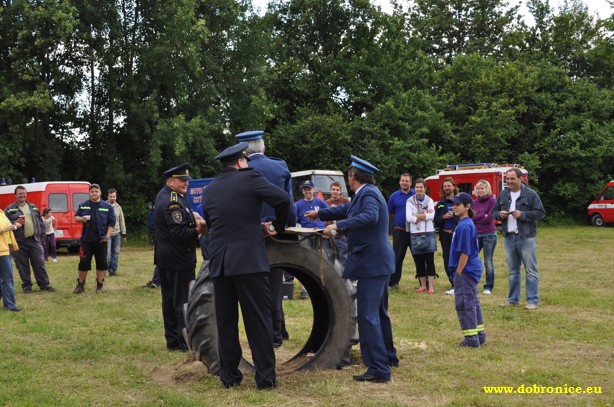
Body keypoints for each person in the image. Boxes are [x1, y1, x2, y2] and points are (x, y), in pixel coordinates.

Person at [202, 142, 290, 390]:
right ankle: (265, 378)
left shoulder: (209, 190)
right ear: (241, 162)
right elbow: (283, 199)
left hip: (220, 263)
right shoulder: (250, 178)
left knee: (226, 322)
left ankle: (229, 377)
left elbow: (212, 224)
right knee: (258, 320)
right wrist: (276, 227)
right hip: (249, 261)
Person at [304, 155, 398, 383]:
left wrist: (337, 228)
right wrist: (322, 214)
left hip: (372, 264)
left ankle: (378, 369)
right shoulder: (364, 193)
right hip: (377, 262)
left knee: (368, 316)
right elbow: (347, 209)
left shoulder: (369, 194)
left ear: (353, 176)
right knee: (378, 313)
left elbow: (369, 216)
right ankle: (388, 357)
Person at [235, 130, 296, 346]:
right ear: (264, 147)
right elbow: (289, 203)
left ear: (243, 151)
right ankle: (278, 331)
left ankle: (271, 333)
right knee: (274, 284)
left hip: (250, 234)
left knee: (256, 286)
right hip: (277, 233)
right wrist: (286, 226)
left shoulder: (241, 169)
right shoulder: (280, 166)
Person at [154, 163, 204, 351]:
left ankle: (173, 340)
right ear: (171, 181)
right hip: (178, 260)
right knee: (182, 301)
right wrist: (198, 230)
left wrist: (194, 217)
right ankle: (183, 342)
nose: (186, 183)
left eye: (187, 180)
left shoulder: (167, 195)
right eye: (182, 180)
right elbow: (179, 233)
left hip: (167, 258)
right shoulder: (172, 201)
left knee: (169, 300)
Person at [493, 168, 545, 310]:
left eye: (512, 179)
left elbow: (540, 213)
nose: (509, 182)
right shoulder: (503, 195)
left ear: (520, 179)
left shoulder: (531, 194)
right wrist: (499, 215)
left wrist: (522, 215)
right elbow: (494, 211)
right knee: (512, 271)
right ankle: (513, 300)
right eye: (507, 179)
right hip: (509, 236)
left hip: (526, 236)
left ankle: (532, 301)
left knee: (531, 270)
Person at [449, 192, 485, 348]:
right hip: (470, 269)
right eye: (454, 204)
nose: (454, 207)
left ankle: (471, 339)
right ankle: (480, 335)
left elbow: (464, 252)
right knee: (473, 302)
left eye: (458, 204)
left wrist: (459, 272)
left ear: (467, 206)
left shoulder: (464, 226)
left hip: (466, 270)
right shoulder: (466, 223)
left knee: (465, 304)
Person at [4, 186, 56, 293]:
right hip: (19, 241)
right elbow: (4, 224)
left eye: (24, 193)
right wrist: (15, 223)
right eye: (20, 193)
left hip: (34, 240)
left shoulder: (33, 207)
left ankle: (44, 285)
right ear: (15, 195)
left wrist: (42, 238)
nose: (22, 195)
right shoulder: (9, 209)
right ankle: (27, 286)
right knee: (22, 265)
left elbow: (40, 224)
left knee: (39, 263)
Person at [73, 184, 116, 294]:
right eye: (92, 191)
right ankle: (80, 286)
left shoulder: (107, 207)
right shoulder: (84, 205)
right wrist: (82, 218)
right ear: (89, 193)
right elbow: (76, 217)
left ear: (100, 193)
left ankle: (99, 286)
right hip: (86, 241)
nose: (94, 193)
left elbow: (112, 222)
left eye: (96, 191)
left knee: (101, 264)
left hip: (101, 241)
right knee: (83, 264)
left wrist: (107, 236)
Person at [406, 178, 437, 294]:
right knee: (419, 261)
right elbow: (409, 218)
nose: (419, 189)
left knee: (430, 260)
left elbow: (432, 216)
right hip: (415, 233)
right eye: (417, 187)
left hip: (428, 232)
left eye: (421, 187)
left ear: (425, 188)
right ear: (414, 188)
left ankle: (431, 287)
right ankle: (423, 285)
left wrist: (417, 215)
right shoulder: (409, 201)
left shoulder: (429, 200)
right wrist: (424, 215)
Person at [387, 173, 415, 289]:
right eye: (402, 180)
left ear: (410, 183)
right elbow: (391, 213)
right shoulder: (394, 196)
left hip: (414, 231)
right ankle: (393, 282)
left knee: (419, 257)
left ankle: (424, 283)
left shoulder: (416, 194)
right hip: (399, 231)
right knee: (397, 258)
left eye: (407, 181)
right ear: (399, 182)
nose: (404, 183)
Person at [434, 177, 459, 294]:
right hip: (445, 236)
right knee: (448, 259)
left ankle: (461, 282)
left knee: (460, 258)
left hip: (458, 235)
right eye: (445, 186)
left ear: (454, 187)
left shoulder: (460, 201)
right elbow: (436, 220)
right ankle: (453, 283)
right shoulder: (440, 203)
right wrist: (443, 217)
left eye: (449, 186)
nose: (447, 188)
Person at [472, 180, 497, 294]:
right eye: (478, 188)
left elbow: (490, 218)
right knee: (472, 259)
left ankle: (488, 286)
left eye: (482, 188)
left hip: (489, 235)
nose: (480, 190)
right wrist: (482, 215)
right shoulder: (474, 202)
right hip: (476, 234)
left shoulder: (492, 200)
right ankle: (472, 283)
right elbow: (471, 218)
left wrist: (478, 216)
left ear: (487, 189)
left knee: (488, 261)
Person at [325, 181, 350, 266]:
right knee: (329, 258)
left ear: (340, 191)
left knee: (343, 257)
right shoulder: (326, 203)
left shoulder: (345, 201)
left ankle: (343, 278)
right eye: (333, 189)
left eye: (337, 190)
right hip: (329, 236)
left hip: (342, 235)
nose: (335, 191)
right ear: (330, 190)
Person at [0, 208, 21, 311]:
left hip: (5, 248)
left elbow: (8, 228)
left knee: (3, 278)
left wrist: (15, 226)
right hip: (1, 250)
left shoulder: (1, 212)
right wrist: (6, 229)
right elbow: (4, 229)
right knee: (7, 278)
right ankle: (10, 305)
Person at [106, 188, 127, 276]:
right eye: (111, 196)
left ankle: (113, 270)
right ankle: (105, 268)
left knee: (116, 252)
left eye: (114, 196)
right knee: (107, 253)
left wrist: (124, 233)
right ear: (108, 196)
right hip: (107, 234)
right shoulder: (103, 206)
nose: (112, 198)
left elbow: (121, 220)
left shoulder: (119, 207)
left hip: (117, 233)